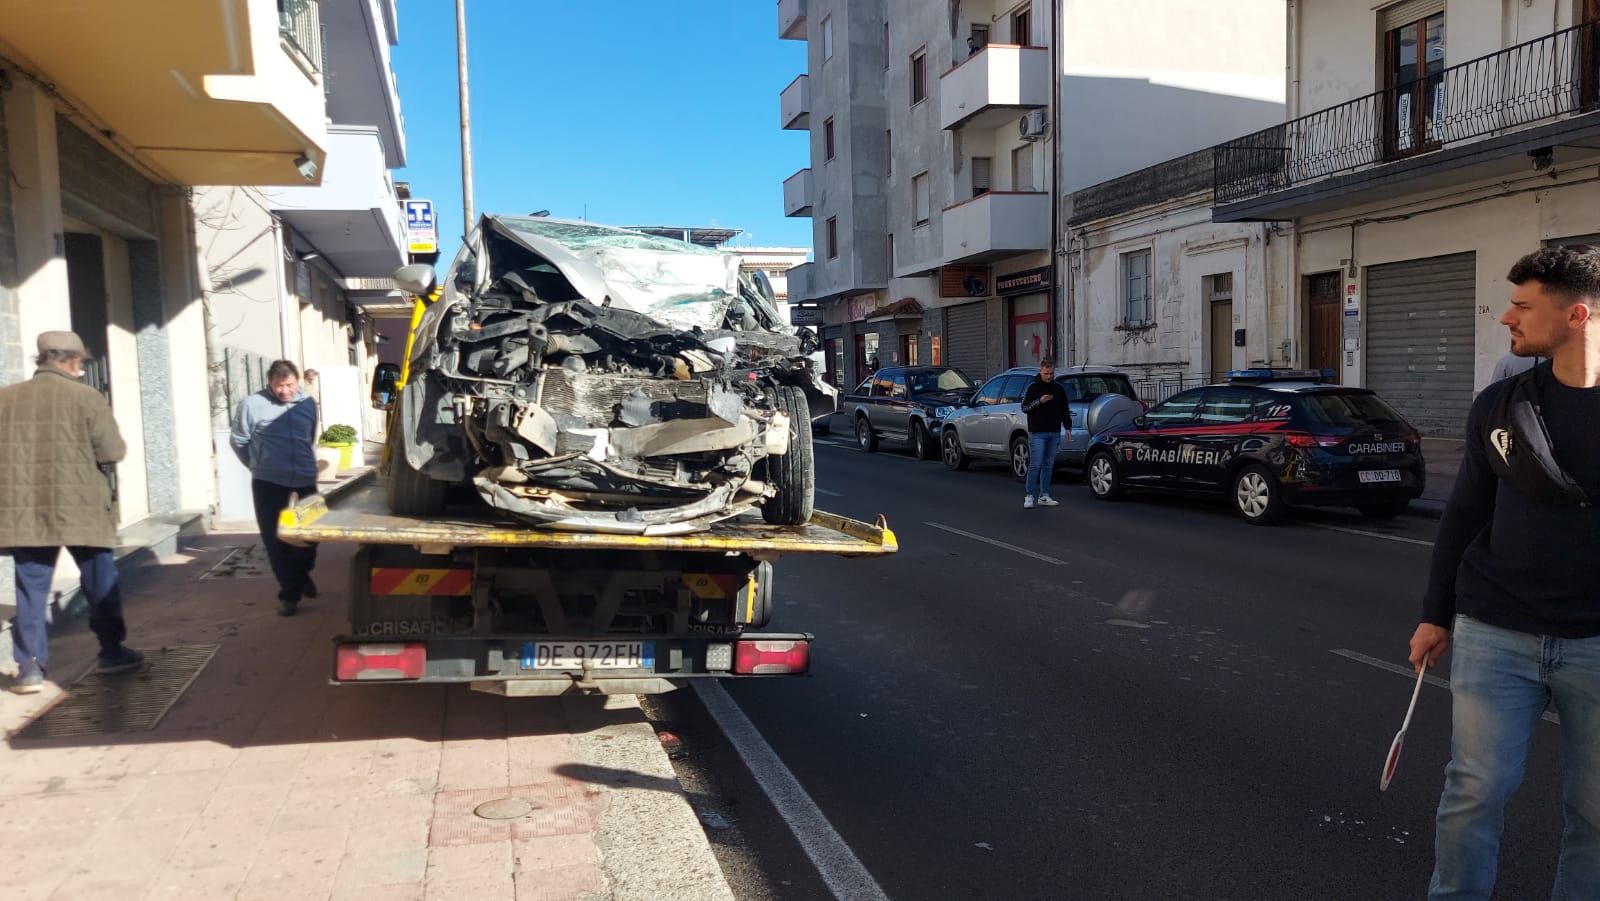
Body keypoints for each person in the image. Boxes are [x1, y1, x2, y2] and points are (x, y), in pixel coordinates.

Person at [1408, 245, 1600, 899]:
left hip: (1596, 643)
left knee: (1596, 815)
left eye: (1522, 306)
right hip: (1497, 630)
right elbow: (1464, 515)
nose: (1506, 318)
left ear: (1576, 315)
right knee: (1472, 795)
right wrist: (1436, 613)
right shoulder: (1500, 405)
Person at [0, 331, 143, 694]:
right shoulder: (87, 397)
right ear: (74, 361)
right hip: (83, 507)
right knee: (100, 580)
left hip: (24, 509)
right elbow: (112, 450)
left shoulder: (6, 399)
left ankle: (30, 669)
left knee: (31, 588)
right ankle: (111, 652)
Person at [232, 360, 320, 616]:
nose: (284, 391)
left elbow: (310, 435)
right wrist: (257, 465)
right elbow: (239, 440)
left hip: (305, 478)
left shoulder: (307, 404)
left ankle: (302, 574)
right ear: (270, 383)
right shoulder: (251, 405)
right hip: (269, 482)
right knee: (276, 540)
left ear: (297, 382)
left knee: (313, 534)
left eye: (289, 385)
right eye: (279, 386)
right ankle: (289, 594)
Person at [1019, 357, 1067, 509]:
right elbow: (1024, 407)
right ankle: (1029, 495)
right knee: (1036, 464)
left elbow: (1064, 409)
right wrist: (1040, 401)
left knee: (1048, 465)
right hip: (1037, 432)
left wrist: (1068, 428)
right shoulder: (1033, 387)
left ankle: (1044, 495)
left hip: (1054, 431)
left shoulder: (1058, 388)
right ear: (1040, 371)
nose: (1049, 376)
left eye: (1051, 373)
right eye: (1046, 373)